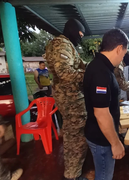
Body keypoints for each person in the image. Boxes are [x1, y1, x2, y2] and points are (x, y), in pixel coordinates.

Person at [43, 18, 87, 180]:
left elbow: (78, 65)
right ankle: (72, 176)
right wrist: (88, 75)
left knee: (73, 134)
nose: (80, 38)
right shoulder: (61, 44)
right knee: (75, 137)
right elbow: (65, 72)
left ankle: (73, 172)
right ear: (72, 31)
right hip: (71, 98)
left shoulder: (65, 44)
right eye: (79, 34)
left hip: (70, 97)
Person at [83, 29, 129, 180]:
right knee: (104, 176)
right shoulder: (101, 72)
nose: (122, 59)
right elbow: (101, 113)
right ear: (118, 48)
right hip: (102, 138)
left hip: (99, 134)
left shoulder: (99, 66)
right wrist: (115, 143)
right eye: (123, 54)